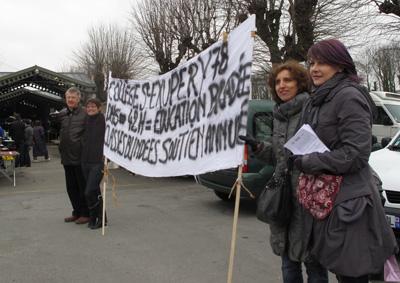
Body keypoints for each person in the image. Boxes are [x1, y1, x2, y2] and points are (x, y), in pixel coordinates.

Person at [291, 39, 397, 282]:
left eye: (323, 62)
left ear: (340, 66)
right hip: (325, 201)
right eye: (312, 62)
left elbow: (356, 154)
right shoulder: (317, 99)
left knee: (351, 274)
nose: (315, 68)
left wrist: (307, 161)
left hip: (349, 204)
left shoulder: (348, 96)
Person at [241, 61, 328, 283]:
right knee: (288, 261)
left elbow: (324, 152)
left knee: (314, 263)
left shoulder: (313, 110)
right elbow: (281, 157)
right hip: (283, 199)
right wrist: (259, 147)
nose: (282, 85)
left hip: (309, 199)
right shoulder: (279, 114)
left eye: (287, 80)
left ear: (300, 83)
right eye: (277, 81)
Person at [56, 87, 89, 224]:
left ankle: (86, 213)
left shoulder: (86, 113)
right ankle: (76, 212)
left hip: (80, 156)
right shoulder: (62, 114)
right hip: (66, 157)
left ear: (78, 98)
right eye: (68, 97)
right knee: (71, 188)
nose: (70, 100)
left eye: (73, 97)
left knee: (82, 186)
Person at [81, 98, 106, 229]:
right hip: (85, 161)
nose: (90, 108)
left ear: (99, 108)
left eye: (93, 106)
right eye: (88, 106)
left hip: (98, 161)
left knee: (89, 191)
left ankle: (95, 216)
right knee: (95, 190)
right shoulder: (85, 120)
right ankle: (100, 218)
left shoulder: (104, 120)